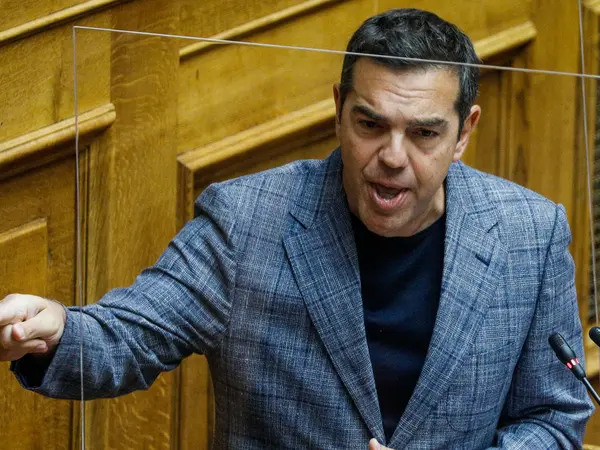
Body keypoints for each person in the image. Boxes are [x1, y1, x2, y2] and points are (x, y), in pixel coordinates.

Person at [0, 8, 594, 449]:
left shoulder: (530, 233)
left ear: (464, 132)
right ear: (338, 109)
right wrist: (56, 331)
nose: (392, 156)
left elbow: (553, 416)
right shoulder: (245, 221)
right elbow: (130, 334)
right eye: (370, 124)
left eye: (423, 133)